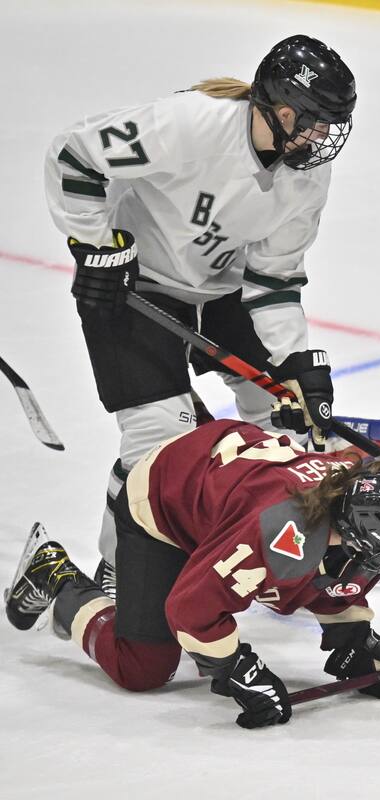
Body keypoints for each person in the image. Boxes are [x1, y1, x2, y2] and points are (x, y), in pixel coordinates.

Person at [45, 35, 356, 595]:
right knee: (156, 445)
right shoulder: (192, 125)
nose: (322, 140)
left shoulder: (307, 174)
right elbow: (75, 155)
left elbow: (274, 279)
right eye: (315, 124)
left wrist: (294, 362)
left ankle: (260, 550)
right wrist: (96, 244)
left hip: (220, 292)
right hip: (135, 284)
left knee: (286, 417)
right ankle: (120, 571)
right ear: (283, 111)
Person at [5, 420, 380, 728]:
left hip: (220, 475)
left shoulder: (347, 492)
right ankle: (55, 576)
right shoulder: (278, 533)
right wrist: (234, 667)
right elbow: (191, 610)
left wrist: (354, 640)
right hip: (163, 497)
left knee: (302, 566)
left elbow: (331, 577)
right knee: (141, 667)